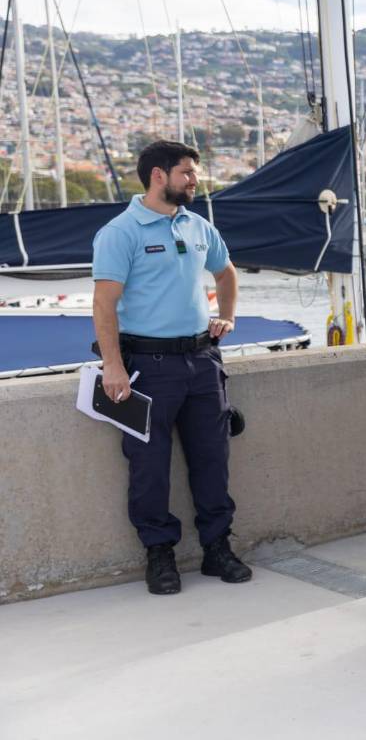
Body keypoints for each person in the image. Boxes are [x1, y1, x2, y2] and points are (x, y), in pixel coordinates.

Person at [91, 140, 251, 596]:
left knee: (212, 458)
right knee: (149, 466)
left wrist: (229, 315)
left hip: (202, 361)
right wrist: (113, 367)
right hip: (147, 366)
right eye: (187, 172)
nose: (195, 180)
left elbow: (227, 272)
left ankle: (217, 549)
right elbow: (104, 305)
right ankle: (159, 555)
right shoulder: (121, 233)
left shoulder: (198, 226)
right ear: (159, 175)